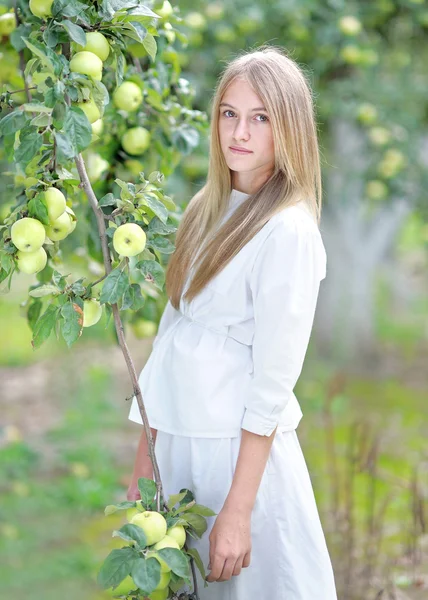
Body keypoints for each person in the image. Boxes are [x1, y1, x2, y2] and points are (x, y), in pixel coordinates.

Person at [127, 45, 338, 599]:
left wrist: (238, 512)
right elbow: (171, 339)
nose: (239, 132)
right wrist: (146, 460)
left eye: (260, 117)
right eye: (229, 113)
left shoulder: (287, 231)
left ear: (287, 127)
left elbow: (272, 383)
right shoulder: (206, 208)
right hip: (178, 443)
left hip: (234, 456)